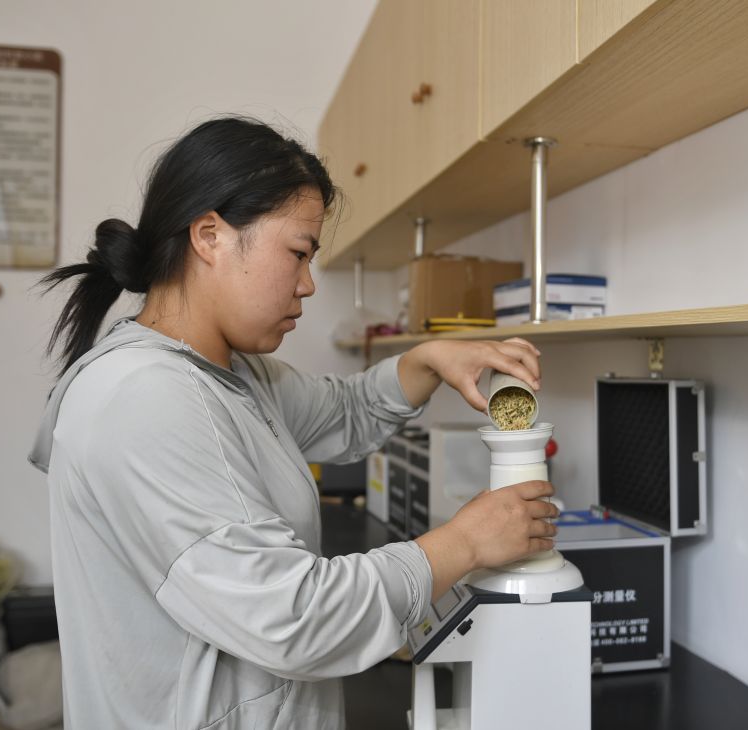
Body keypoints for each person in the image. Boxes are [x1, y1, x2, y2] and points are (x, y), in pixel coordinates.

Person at [29, 116, 557, 729]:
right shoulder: (143, 400)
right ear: (210, 236)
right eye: (298, 253)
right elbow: (295, 617)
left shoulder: (234, 374)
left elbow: (346, 410)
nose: (307, 285)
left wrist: (427, 360)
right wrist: (465, 542)